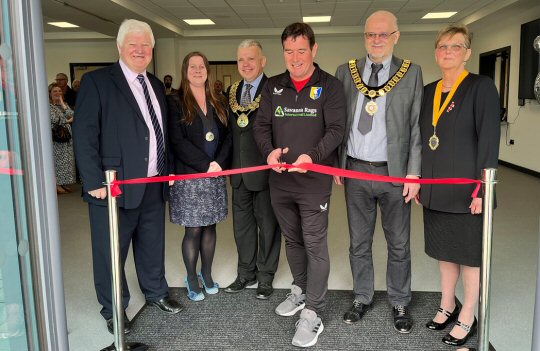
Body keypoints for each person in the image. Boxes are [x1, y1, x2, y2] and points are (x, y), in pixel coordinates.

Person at [73, 19, 183, 336]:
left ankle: (156, 293)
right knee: (111, 252)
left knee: (151, 245)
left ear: (152, 49)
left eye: (145, 45)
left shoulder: (156, 85)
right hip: (112, 187)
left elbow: (161, 133)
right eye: (133, 44)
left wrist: (169, 167)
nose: (139, 49)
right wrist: (93, 180)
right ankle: (114, 309)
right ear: (119, 46)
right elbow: (84, 134)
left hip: (152, 184)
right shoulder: (97, 83)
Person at [253, 22, 345, 347]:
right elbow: (261, 126)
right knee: (292, 240)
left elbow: (336, 129)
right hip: (280, 181)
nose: (295, 57)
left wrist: (314, 155)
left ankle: (315, 313)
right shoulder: (273, 86)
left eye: (301, 50)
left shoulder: (330, 87)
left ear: (314, 50)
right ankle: (301, 291)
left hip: (314, 181)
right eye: (289, 51)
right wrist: (269, 152)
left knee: (315, 243)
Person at [334, 10, 423, 334]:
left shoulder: (411, 73)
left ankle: (400, 301)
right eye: (371, 34)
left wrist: (414, 173)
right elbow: (336, 123)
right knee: (358, 243)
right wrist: (336, 164)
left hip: (394, 174)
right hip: (356, 169)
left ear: (396, 36)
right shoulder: (347, 71)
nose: (376, 40)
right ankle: (362, 297)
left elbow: (415, 127)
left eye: (383, 34)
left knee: (399, 243)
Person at [420, 24, 500, 347]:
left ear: (467, 52)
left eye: (456, 46)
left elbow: (489, 141)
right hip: (437, 190)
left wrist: (482, 189)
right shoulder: (429, 91)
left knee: (469, 256)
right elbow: (425, 140)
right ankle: (448, 303)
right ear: (436, 52)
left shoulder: (481, 88)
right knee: (444, 252)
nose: (448, 51)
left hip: (470, 192)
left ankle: (468, 312)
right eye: (442, 46)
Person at [167, 51, 232, 302]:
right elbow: (176, 140)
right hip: (189, 176)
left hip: (214, 174)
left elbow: (228, 137)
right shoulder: (174, 101)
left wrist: (219, 163)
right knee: (193, 229)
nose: (197, 70)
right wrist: (206, 164)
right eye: (192, 66)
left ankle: (207, 273)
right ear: (185, 71)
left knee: (210, 226)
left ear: (207, 70)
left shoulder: (219, 100)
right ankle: (191, 277)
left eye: (201, 66)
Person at [224, 39, 281, 300]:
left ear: (263, 61)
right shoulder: (231, 91)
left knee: (268, 226)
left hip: (266, 172)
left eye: (251, 59)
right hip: (238, 172)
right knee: (242, 227)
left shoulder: (275, 89)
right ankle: (245, 273)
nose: (245, 64)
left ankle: (265, 276)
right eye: (241, 59)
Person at [49, 82, 76, 194]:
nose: (58, 93)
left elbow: (73, 115)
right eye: (55, 91)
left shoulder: (63, 104)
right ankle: (56, 184)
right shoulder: (48, 105)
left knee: (66, 162)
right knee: (58, 162)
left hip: (67, 138)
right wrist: (67, 121)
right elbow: (54, 120)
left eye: (59, 91)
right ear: (50, 93)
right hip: (56, 137)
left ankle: (63, 183)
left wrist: (62, 103)